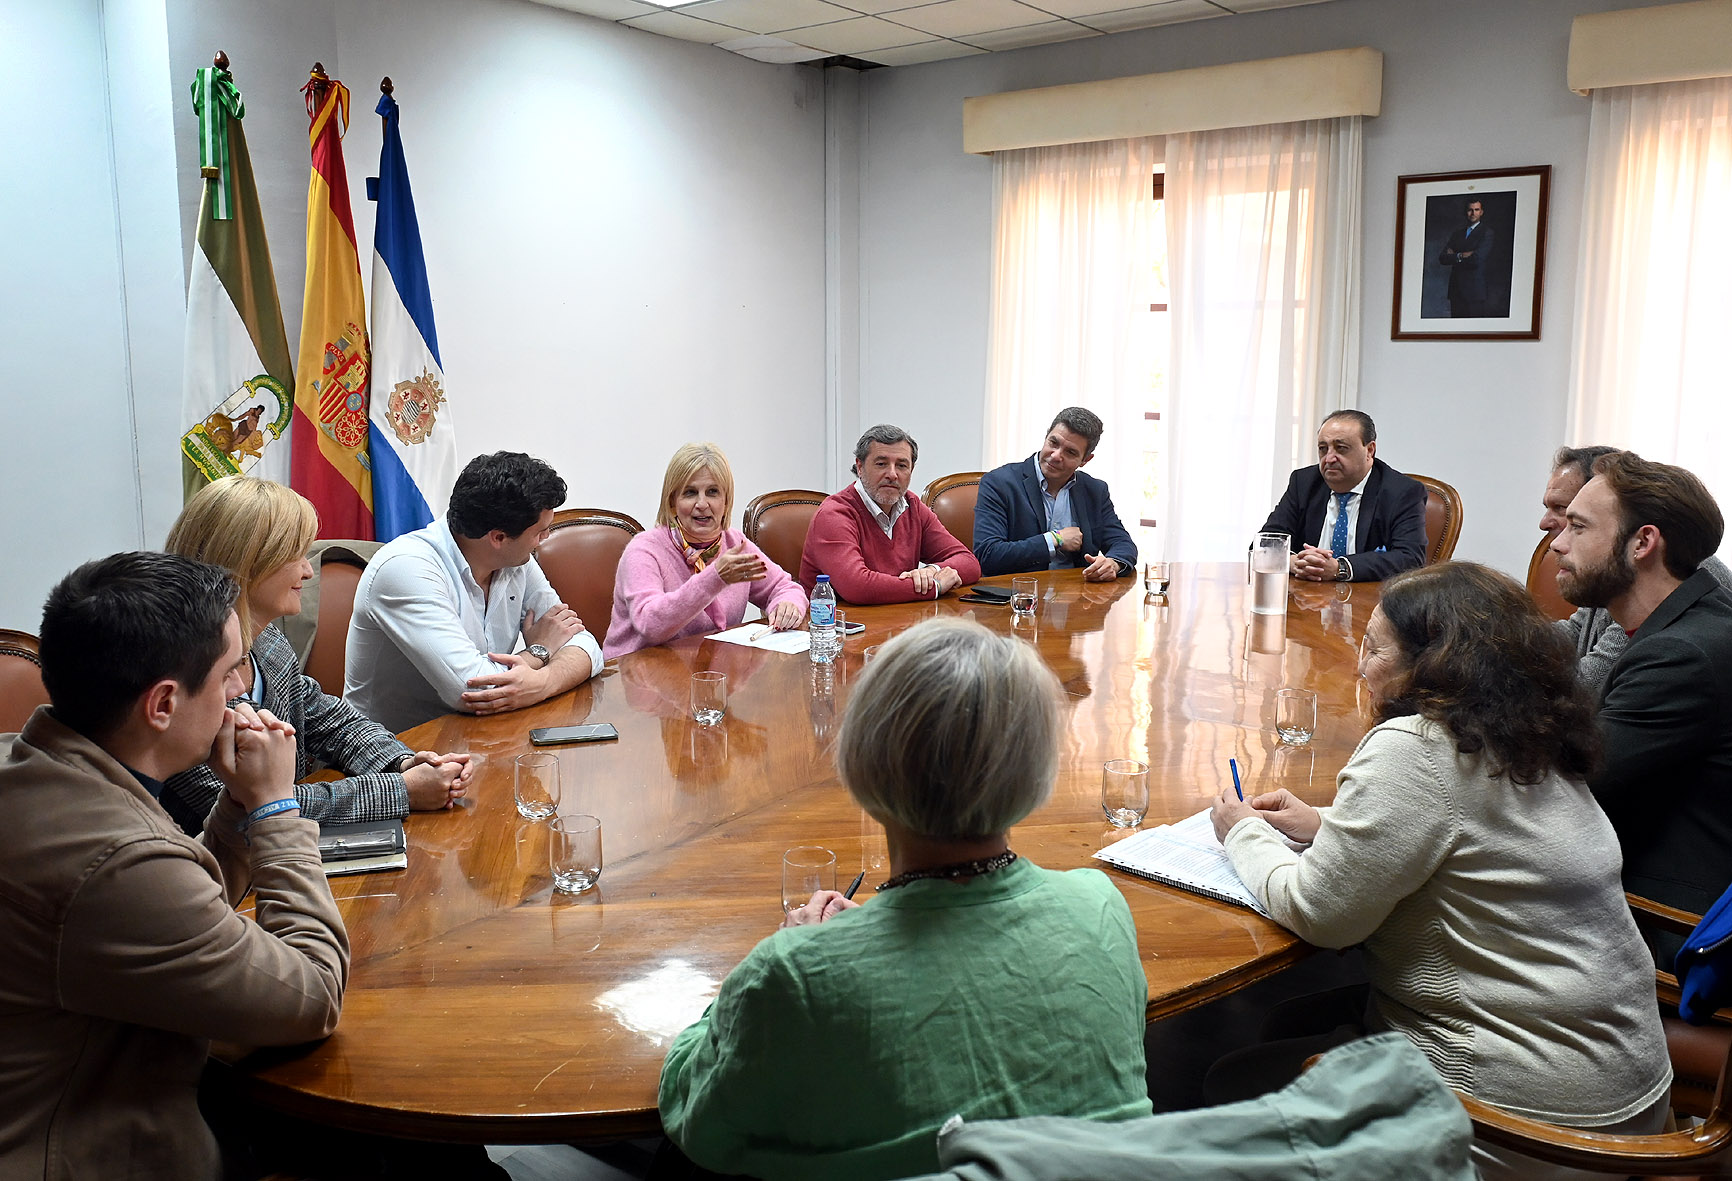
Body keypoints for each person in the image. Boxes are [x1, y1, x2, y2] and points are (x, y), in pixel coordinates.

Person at [1208, 562, 1671, 1181]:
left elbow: (1318, 914)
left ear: (1435, 665)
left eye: (1373, 649)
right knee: (1294, 1019)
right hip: (1627, 1087)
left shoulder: (1415, 746)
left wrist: (1240, 832)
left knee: (1228, 1078)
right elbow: (1470, 838)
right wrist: (1328, 825)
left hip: (1530, 1123)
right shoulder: (1529, 737)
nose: (1357, 664)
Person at [659, 617, 1152, 1180]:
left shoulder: (796, 975)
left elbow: (694, 1114)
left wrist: (791, 960)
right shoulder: (1101, 907)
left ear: (863, 758)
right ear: (1036, 763)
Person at [0, 552, 347, 1178]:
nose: (242, 690)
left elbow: (179, 907)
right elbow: (312, 997)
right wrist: (273, 808)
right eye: (227, 674)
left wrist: (238, 802)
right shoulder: (113, 860)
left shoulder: (41, 767)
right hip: (96, 1151)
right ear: (162, 704)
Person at [158, 476, 472, 835]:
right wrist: (403, 791)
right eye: (295, 556)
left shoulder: (269, 642)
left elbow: (333, 721)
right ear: (246, 563)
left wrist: (400, 762)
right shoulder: (180, 678)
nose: (308, 570)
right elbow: (249, 805)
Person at [1550, 451, 1732, 917]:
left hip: (1668, 916)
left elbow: (1565, 782)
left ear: (1643, 542)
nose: (1557, 543)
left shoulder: (1682, 654)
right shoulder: (1682, 620)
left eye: (1579, 526)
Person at [345, 451, 604, 733]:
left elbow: (586, 646)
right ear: (498, 537)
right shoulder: (407, 569)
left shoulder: (515, 562)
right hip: (393, 755)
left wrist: (544, 681)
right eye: (540, 531)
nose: (546, 539)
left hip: (478, 737)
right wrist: (540, 652)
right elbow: (473, 692)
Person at [1540, 444, 1732, 691]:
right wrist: (1498, 635)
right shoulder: (1610, 573)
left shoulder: (1660, 580)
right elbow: (1575, 631)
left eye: (1573, 520)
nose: (1545, 524)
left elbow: (1591, 686)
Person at [605, 443, 807, 659]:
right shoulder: (643, 550)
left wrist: (787, 605)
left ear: (726, 500)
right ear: (672, 502)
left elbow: (784, 586)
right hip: (634, 675)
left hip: (706, 673)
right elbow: (650, 624)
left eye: (712, 492)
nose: (702, 504)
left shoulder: (734, 544)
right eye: (690, 493)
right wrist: (715, 577)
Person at [798, 424, 981, 604]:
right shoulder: (834, 514)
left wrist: (932, 571)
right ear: (859, 467)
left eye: (901, 465)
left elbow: (969, 563)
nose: (892, 474)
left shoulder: (912, 506)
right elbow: (857, 587)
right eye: (881, 464)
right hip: (837, 628)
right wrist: (933, 587)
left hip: (898, 620)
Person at [1260, 410, 1428, 583]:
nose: (1329, 458)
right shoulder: (1303, 483)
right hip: (1307, 596)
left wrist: (1340, 568)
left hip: (1367, 600)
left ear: (1370, 450)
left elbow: (1410, 558)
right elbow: (1265, 545)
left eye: (1341, 448)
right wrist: (1295, 562)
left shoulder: (1402, 491)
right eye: (1323, 449)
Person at [972, 406, 1137, 580]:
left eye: (1071, 452)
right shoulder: (999, 483)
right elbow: (988, 554)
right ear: (1046, 436)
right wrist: (1054, 540)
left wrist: (1113, 563)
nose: (1056, 455)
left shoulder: (1094, 490)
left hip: (1077, 597)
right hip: (1017, 596)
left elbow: (1123, 544)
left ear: (1085, 460)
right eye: (1054, 443)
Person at [1437, 197, 1496, 318]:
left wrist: (1454, 255)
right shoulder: (1457, 234)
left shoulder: (1487, 233)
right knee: (1455, 332)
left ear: (1481, 212)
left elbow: (1476, 259)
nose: (1473, 213)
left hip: (1474, 292)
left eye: (1476, 210)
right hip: (1456, 290)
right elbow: (1442, 258)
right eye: (1470, 210)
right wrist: (1461, 255)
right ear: (1466, 212)